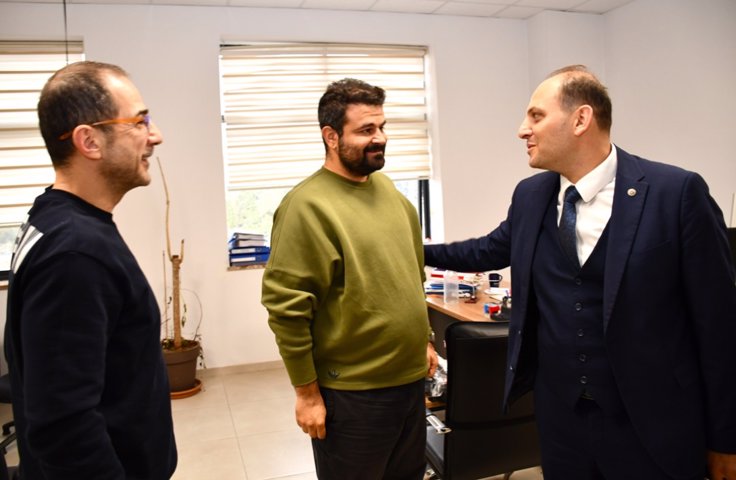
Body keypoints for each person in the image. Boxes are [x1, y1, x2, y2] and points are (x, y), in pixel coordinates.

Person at [424, 65, 736, 480]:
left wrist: (726, 438)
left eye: (536, 116)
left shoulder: (675, 194)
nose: (522, 130)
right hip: (561, 423)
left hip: (653, 423)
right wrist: (412, 250)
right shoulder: (531, 195)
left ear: (581, 119)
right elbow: (487, 249)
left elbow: (719, 328)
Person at [4, 61, 177, 479]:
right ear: (89, 141)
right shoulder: (75, 253)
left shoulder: (52, 217)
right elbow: (64, 427)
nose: (155, 135)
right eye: (139, 122)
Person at [261, 78, 438, 479]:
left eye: (382, 127)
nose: (380, 138)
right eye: (366, 130)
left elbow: (412, 276)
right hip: (354, 395)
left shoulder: (390, 192)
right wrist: (307, 393)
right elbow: (287, 310)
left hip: (410, 383)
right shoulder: (306, 207)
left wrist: (425, 340)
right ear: (331, 137)